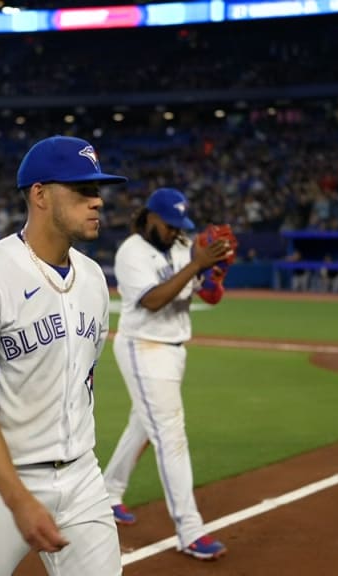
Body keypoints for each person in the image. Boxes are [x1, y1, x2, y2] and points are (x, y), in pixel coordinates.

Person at [0, 135, 127, 575]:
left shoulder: (95, 279)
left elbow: (85, 378)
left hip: (82, 478)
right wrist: (19, 500)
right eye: (82, 190)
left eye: (97, 190)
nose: (97, 201)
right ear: (40, 194)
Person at [102, 187, 232, 561]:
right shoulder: (131, 252)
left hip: (173, 349)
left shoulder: (182, 246)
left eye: (180, 226)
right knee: (170, 436)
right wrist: (196, 264)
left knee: (143, 425)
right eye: (170, 225)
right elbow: (154, 300)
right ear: (151, 218)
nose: (177, 232)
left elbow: (206, 294)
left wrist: (214, 273)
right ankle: (189, 530)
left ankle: (108, 493)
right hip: (143, 347)